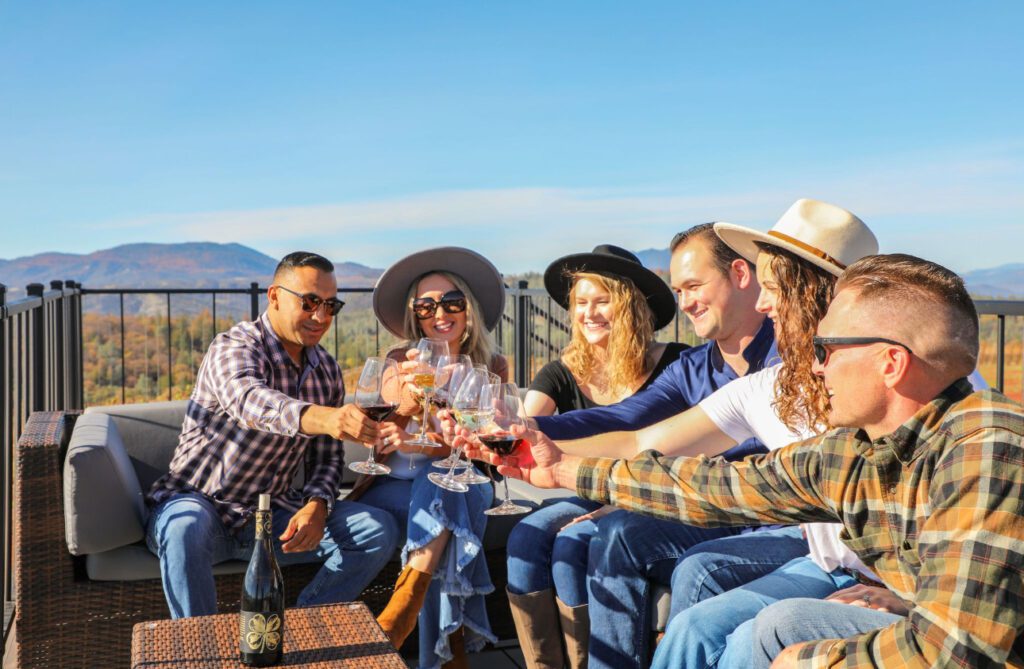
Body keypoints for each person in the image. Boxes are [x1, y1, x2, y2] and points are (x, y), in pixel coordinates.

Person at [487, 253, 1024, 668]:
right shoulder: (856, 448)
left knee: (774, 629)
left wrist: (807, 661)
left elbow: (956, 651)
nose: (815, 369)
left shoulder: (985, 448)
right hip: (889, 597)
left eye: (826, 350)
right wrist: (558, 469)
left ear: (891, 363)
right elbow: (719, 486)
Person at [500, 198, 882, 668]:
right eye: (677, 289)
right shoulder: (759, 385)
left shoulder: (884, 382)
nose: (765, 305)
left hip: (808, 541)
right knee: (572, 541)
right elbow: (634, 432)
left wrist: (908, 599)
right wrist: (535, 441)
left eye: (773, 289)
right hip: (821, 553)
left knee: (658, 555)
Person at [501, 224, 778, 669]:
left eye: (694, 286)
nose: (686, 302)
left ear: (741, 275)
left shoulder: (788, 360)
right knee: (605, 534)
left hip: (770, 516)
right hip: (712, 507)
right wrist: (521, 426)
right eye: (678, 290)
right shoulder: (691, 368)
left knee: (645, 546)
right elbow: (624, 422)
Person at [145, 251, 401, 619]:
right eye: (310, 302)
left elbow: (327, 459)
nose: (321, 317)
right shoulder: (234, 346)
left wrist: (318, 505)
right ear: (274, 296)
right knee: (184, 528)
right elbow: (249, 402)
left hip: (271, 517)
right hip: (199, 505)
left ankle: (292, 633)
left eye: (331, 305)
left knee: (376, 530)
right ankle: (200, 653)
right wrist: (324, 418)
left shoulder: (325, 368)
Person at [508, 244, 687, 668]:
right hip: (585, 489)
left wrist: (615, 504)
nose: (588, 313)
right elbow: (523, 429)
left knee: (572, 544)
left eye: (601, 301)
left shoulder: (676, 363)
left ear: (630, 306)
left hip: (650, 492)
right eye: (580, 303)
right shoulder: (562, 371)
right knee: (525, 536)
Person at [358, 246, 508, 669]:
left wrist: (411, 443)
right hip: (391, 489)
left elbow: (470, 446)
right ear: (415, 315)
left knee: (442, 480)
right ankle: (445, 656)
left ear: (469, 309)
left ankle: (402, 611)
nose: (438, 313)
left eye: (451, 302)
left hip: (467, 482)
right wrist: (411, 396)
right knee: (441, 496)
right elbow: (387, 398)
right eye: (425, 305)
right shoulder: (399, 361)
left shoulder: (491, 365)